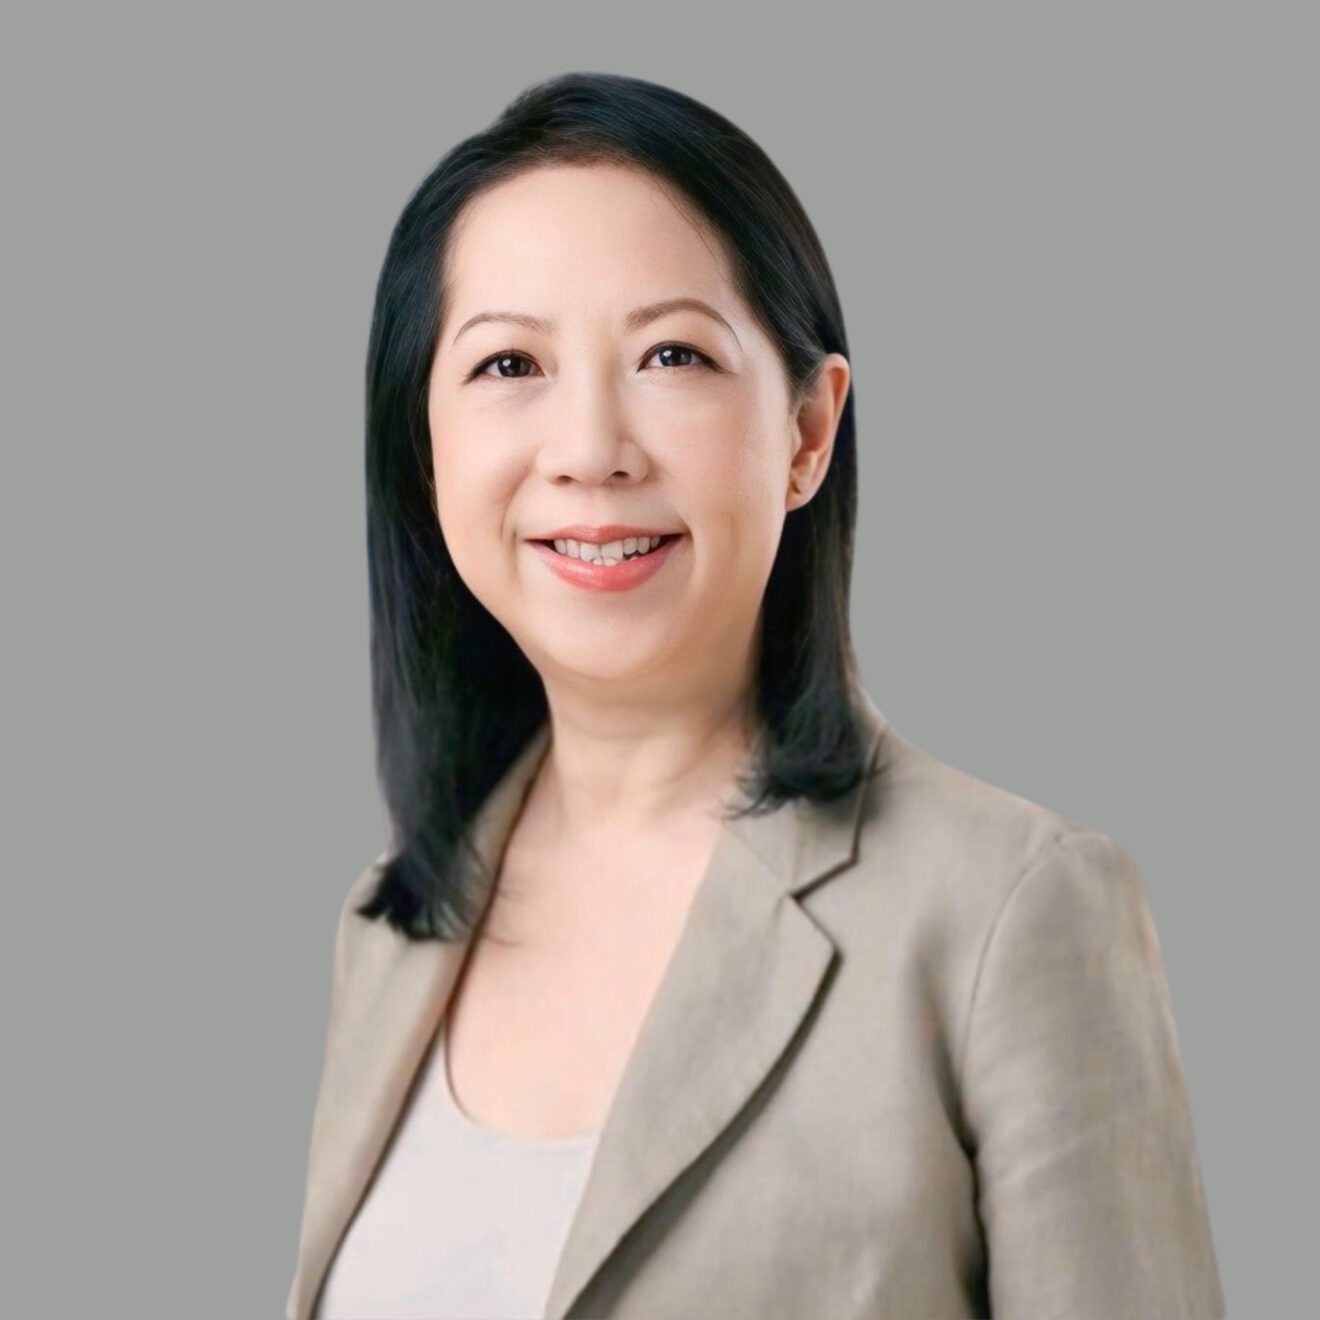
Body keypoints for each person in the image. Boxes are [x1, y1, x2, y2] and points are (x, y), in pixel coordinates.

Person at [286, 72, 1225, 1320]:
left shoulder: (1011, 913)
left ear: (807, 431)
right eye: (509, 363)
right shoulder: (392, 927)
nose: (590, 450)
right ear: (424, 448)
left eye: (670, 355)